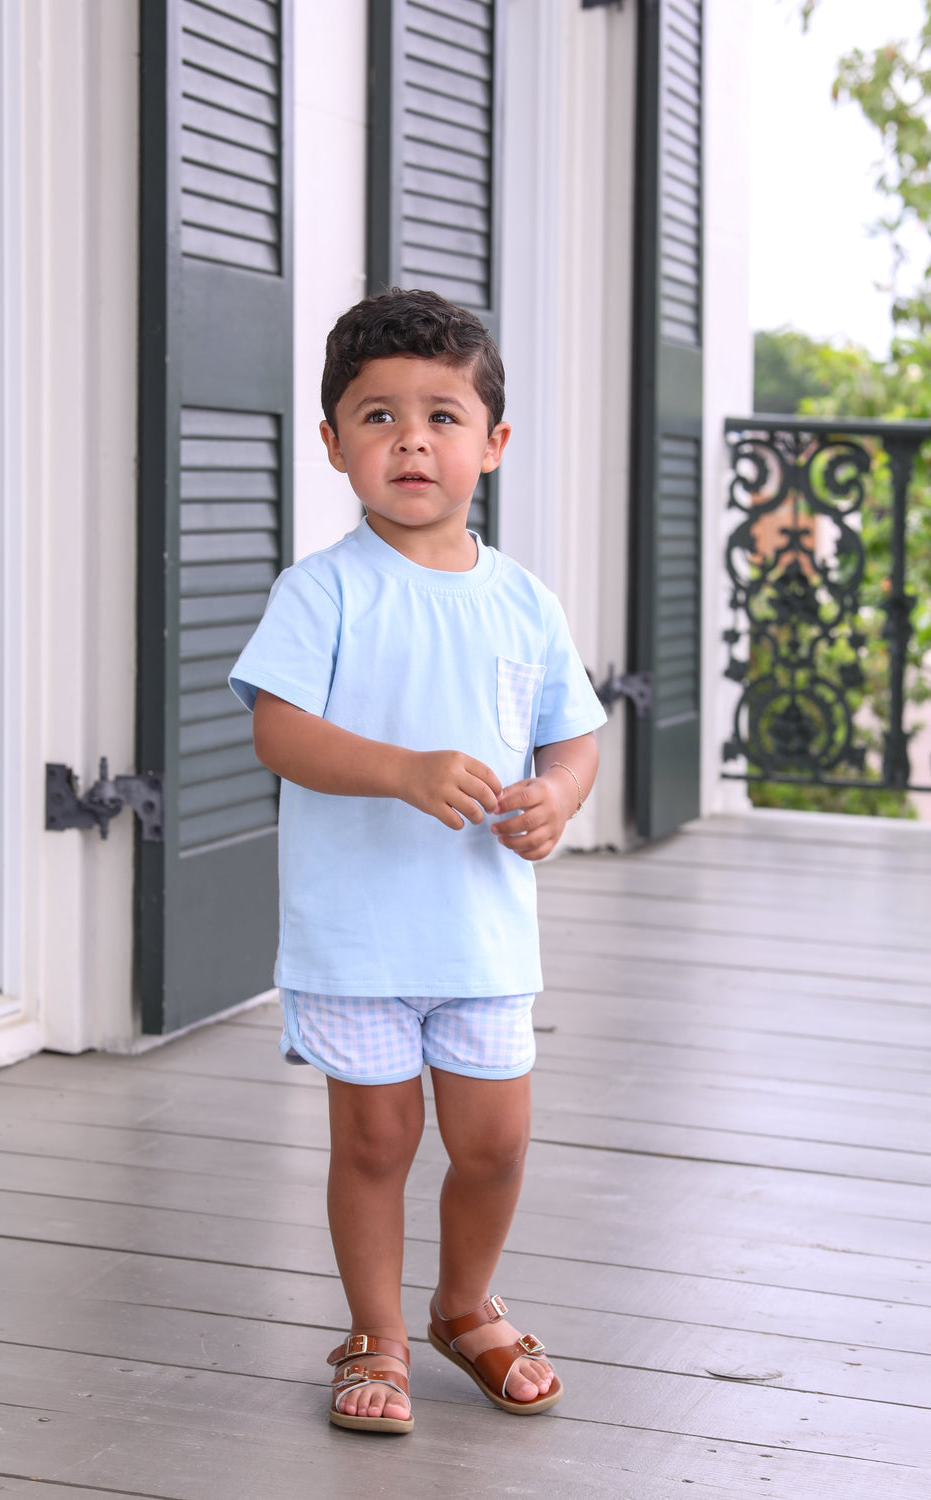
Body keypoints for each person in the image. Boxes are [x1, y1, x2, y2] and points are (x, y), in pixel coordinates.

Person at [230, 287, 605, 1434]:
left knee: (494, 1142)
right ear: (333, 442)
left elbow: (572, 736)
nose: (410, 441)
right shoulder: (324, 589)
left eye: (442, 416)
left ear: (492, 443)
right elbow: (278, 732)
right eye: (377, 416)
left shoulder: (523, 601)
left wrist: (556, 797)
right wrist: (401, 770)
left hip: (480, 932)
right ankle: (375, 1333)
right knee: (377, 1140)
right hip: (356, 935)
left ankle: (462, 1304)